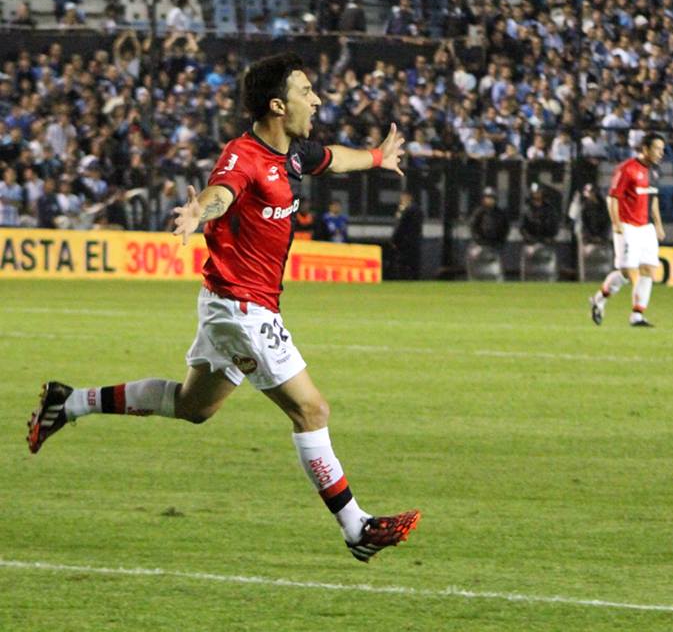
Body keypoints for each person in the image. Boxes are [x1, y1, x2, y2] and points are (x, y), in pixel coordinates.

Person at [27, 52, 420, 563]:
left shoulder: (293, 155)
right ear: (278, 105)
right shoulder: (244, 156)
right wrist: (198, 211)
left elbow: (334, 158)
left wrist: (375, 157)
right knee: (311, 410)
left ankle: (68, 402)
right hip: (241, 309)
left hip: (231, 303)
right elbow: (222, 193)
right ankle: (356, 528)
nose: (317, 100)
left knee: (194, 407)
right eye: (306, 92)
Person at [589, 133, 666, 328]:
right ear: (645, 149)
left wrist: (658, 224)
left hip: (646, 227)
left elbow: (653, 199)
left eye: (662, 149)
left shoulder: (655, 171)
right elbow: (613, 197)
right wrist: (616, 223)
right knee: (628, 273)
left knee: (648, 270)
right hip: (628, 226)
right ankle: (599, 299)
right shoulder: (626, 169)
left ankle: (637, 315)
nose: (660, 153)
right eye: (657, 149)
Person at [390, 191, 423, 280]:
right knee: (414, 262)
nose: (401, 200)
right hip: (415, 240)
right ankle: (415, 278)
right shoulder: (419, 209)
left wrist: (394, 240)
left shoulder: (405, 210)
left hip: (404, 241)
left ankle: (403, 278)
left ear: (408, 197)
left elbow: (400, 227)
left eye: (403, 198)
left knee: (402, 262)